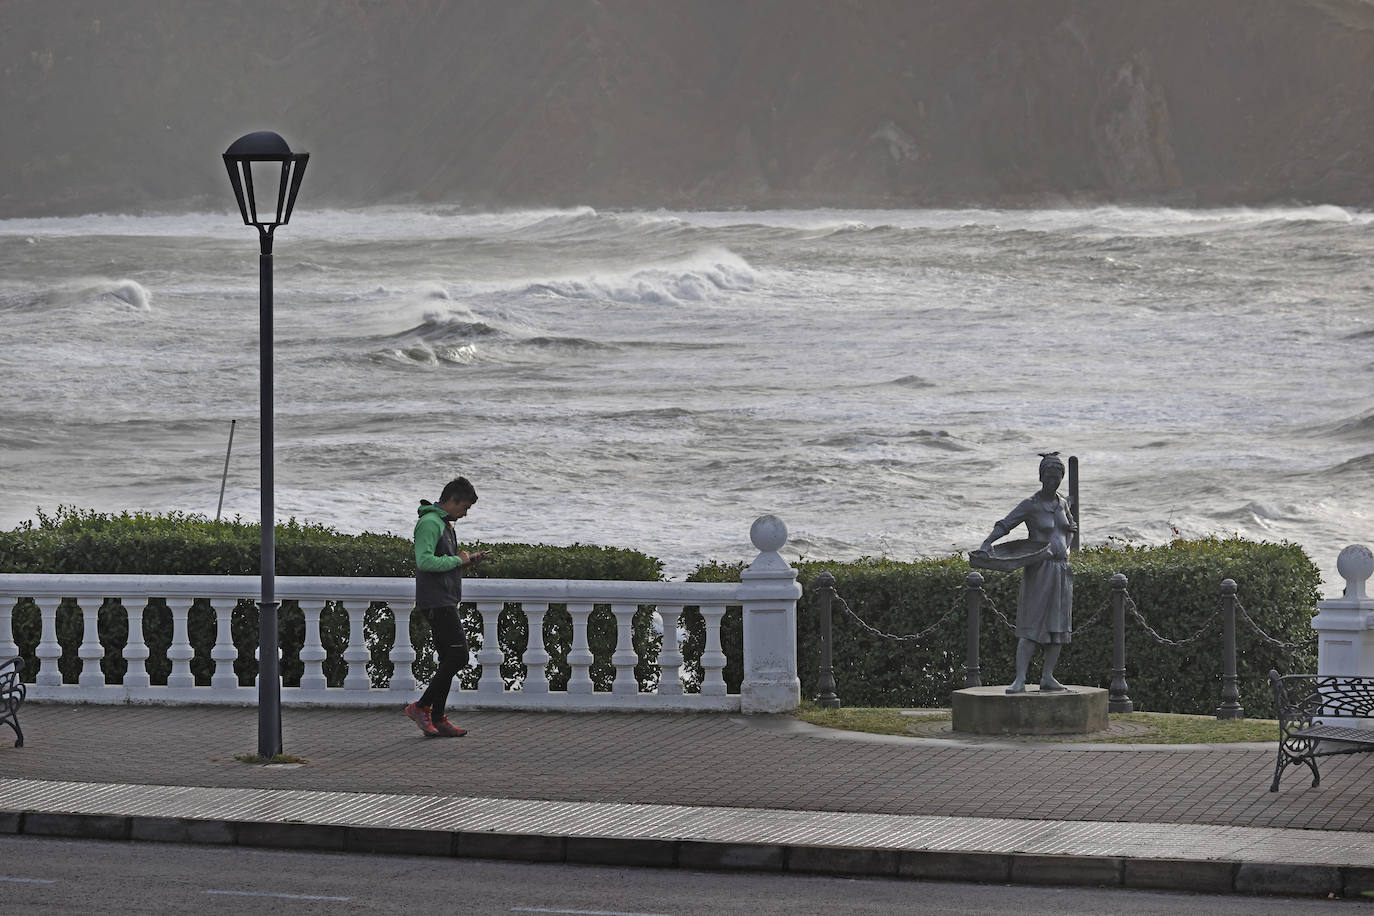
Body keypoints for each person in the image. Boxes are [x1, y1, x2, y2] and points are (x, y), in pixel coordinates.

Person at [980, 453, 1077, 694]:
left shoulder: (1063, 503)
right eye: (1048, 477)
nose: (1053, 482)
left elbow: (1071, 527)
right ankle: (1020, 679)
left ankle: (1048, 677)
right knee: (1031, 625)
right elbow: (1005, 524)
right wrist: (987, 544)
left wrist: (1066, 542)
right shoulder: (1031, 504)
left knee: (1058, 627)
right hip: (1039, 568)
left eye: (1057, 478)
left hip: (1061, 569)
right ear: (1041, 477)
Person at [404, 476, 490, 737]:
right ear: (452, 501)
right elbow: (425, 561)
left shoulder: (443, 523)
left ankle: (438, 718)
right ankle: (421, 707)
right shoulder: (430, 523)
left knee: (448, 659)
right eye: (465, 507)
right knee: (458, 656)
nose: (465, 513)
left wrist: (466, 562)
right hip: (436, 601)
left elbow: (442, 561)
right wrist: (456, 560)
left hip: (444, 599)